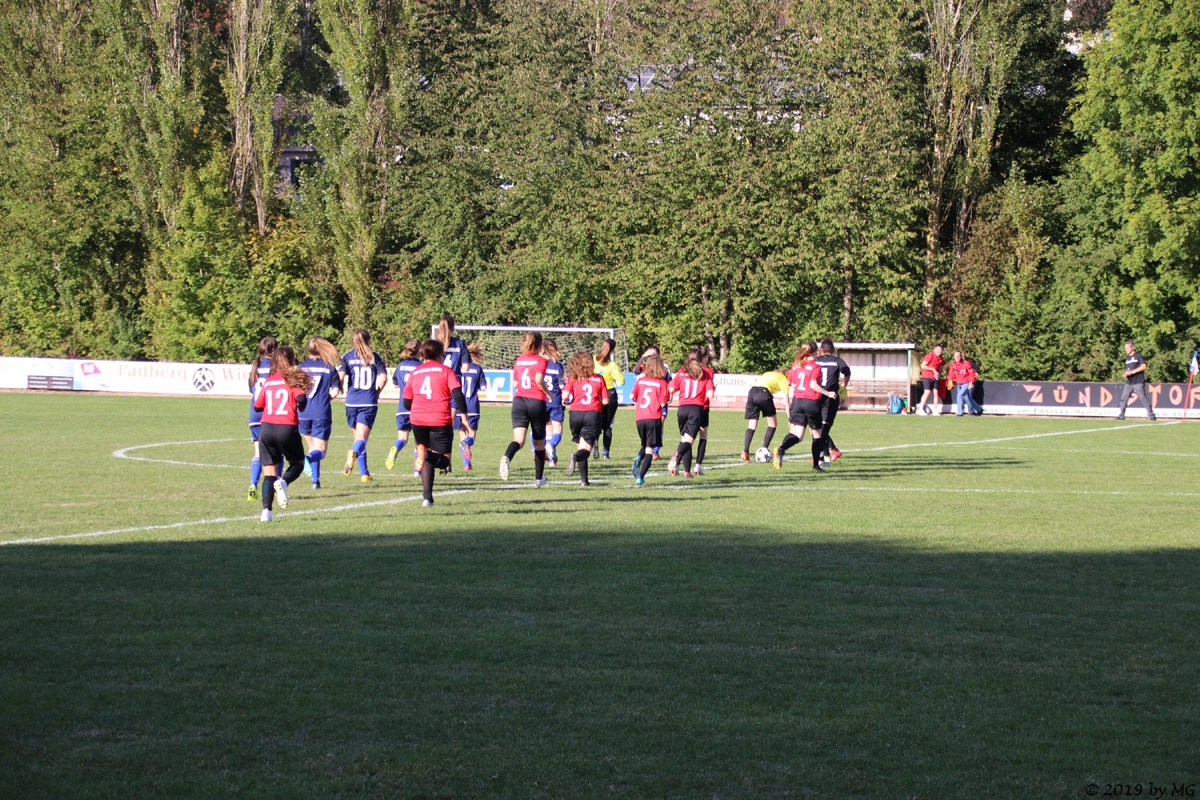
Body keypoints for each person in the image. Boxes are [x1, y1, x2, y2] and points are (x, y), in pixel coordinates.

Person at [403, 339, 474, 507]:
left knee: (425, 453)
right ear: (440, 354)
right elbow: (458, 395)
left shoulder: (415, 372)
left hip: (417, 419)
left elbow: (406, 402)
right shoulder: (446, 371)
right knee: (444, 461)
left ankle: (427, 498)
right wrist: (464, 418)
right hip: (439, 419)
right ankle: (426, 456)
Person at [252, 345, 312, 522]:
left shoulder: (270, 380)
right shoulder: (292, 379)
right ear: (292, 360)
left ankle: (266, 512)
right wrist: (301, 404)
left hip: (267, 428)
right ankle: (284, 482)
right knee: (298, 463)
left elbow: (257, 406)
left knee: (269, 473)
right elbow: (301, 398)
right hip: (287, 427)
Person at [773, 342, 838, 473]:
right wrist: (828, 393)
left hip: (798, 402)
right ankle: (816, 465)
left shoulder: (796, 365)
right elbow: (813, 385)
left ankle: (781, 449)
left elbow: (791, 384)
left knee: (798, 435)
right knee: (817, 434)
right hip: (811, 403)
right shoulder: (815, 367)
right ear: (814, 353)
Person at [500, 332, 552, 487]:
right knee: (539, 443)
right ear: (541, 346)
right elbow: (538, 379)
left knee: (519, 440)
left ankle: (507, 457)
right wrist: (549, 394)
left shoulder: (519, 360)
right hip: (536, 401)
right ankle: (538, 479)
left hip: (519, 401)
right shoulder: (541, 360)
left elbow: (516, 384)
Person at [338, 329, 388, 482]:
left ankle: (364, 473)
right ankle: (353, 453)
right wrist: (377, 392)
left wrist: (339, 388)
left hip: (351, 402)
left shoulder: (347, 356)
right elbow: (383, 378)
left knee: (358, 437)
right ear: (369, 340)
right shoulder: (374, 357)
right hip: (368, 401)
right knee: (361, 439)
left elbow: (340, 376)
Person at [298, 337, 342, 490]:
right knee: (320, 451)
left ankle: (315, 482)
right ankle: (308, 461)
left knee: (312, 447)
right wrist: (324, 399)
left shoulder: (301, 367)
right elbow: (335, 391)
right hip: (320, 412)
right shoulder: (328, 367)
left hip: (303, 412)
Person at [562, 350, 608, 486]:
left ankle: (584, 481)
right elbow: (605, 401)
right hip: (592, 414)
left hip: (575, 414)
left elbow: (565, 396)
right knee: (585, 450)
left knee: (581, 446)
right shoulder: (599, 378)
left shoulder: (573, 378)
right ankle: (575, 457)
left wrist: (566, 399)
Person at [666, 353, 715, 478]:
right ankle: (677, 455)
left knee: (684, 438)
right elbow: (710, 394)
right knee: (689, 441)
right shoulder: (704, 374)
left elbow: (670, 389)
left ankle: (686, 471)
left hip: (682, 409)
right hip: (696, 409)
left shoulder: (682, 372)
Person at [631, 355, 671, 486]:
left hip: (640, 418)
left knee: (646, 444)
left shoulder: (641, 381)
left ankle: (638, 457)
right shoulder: (662, 383)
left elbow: (632, 396)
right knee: (650, 449)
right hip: (653, 418)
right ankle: (640, 477)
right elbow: (662, 403)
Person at [385, 339, 423, 475]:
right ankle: (417, 470)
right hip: (417, 408)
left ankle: (396, 447)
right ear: (420, 350)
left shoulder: (401, 366)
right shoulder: (421, 367)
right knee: (420, 442)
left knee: (402, 438)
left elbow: (395, 384)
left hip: (402, 408)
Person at [246, 336, 277, 500]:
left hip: (254, 415)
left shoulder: (255, 367)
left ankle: (253, 485)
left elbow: (252, 390)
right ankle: (276, 486)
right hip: (270, 414)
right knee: (276, 453)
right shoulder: (275, 367)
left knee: (258, 453)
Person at [814, 338, 851, 464]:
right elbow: (847, 372)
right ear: (833, 350)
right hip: (831, 397)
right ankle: (828, 453)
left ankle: (824, 456)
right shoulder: (837, 361)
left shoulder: (816, 361)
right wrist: (843, 386)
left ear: (821, 350)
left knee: (817, 428)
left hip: (816, 396)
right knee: (823, 428)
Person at [742, 369, 788, 461]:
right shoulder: (783, 379)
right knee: (772, 424)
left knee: (752, 425)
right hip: (763, 393)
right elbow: (786, 401)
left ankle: (745, 451)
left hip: (752, 392)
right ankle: (764, 449)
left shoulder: (768, 374)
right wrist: (790, 417)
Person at [457, 343, 487, 471]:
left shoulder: (458, 368)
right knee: (471, 436)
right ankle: (467, 444)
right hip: (472, 406)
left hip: (459, 406)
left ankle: (467, 464)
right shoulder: (477, 369)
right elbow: (484, 387)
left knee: (462, 435)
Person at [594, 338, 625, 459]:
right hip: (609, 393)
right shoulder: (612, 365)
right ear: (612, 351)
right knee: (608, 426)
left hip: (596, 393)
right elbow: (621, 381)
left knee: (595, 422)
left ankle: (594, 446)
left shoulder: (593, 360)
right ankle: (605, 453)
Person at [690, 346, 716, 474]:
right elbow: (709, 390)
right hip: (703, 407)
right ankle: (698, 465)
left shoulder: (687, 370)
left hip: (688, 406)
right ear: (704, 358)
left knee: (688, 437)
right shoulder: (708, 372)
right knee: (703, 437)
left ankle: (678, 463)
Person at [1116, 341, 1157, 421]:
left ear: (1133, 347)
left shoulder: (1138, 356)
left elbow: (1143, 366)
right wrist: (1126, 373)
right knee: (1124, 398)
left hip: (1138, 381)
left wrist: (1133, 372)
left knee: (1143, 398)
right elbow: (1129, 369)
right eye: (1125, 348)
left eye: (1128, 348)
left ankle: (1151, 416)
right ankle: (1121, 416)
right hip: (1129, 382)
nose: (1126, 349)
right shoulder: (1127, 358)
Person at [541, 338, 565, 466]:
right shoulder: (558, 365)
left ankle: (552, 460)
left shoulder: (540, 364)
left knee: (548, 429)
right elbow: (561, 386)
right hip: (555, 400)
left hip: (543, 400)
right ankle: (551, 445)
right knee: (558, 431)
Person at [947, 350, 983, 417]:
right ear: (954, 357)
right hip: (959, 383)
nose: (957, 358)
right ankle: (979, 409)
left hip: (966, 383)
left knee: (959, 396)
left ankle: (960, 412)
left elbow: (972, 374)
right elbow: (951, 373)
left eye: (958, 356)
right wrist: (950, 380)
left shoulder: (966, 363)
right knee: (968, 398)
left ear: (961, 356)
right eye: (956, 356)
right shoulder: (953, 364)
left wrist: (971, 383)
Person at [916, 344, 945, 415]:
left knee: (936, 393)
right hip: (927, 376)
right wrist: (932, 369)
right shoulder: (930, 355)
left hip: (935, 377)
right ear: (934, 350)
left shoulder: (940, 358)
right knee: (927, 391)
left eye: (941, 350)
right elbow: (923, 365)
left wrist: (939, 372)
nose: (939, 351)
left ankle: (935, 410)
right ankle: (920, 409)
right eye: (938, 349)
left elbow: (941, 366)